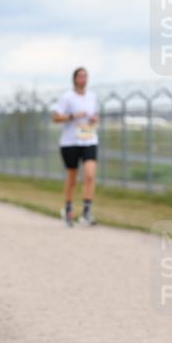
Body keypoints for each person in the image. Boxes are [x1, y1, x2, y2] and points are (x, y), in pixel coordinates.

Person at [52, 66, 99, 226]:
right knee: (72, 177)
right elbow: (56, 118)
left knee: (90, 175)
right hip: (70, 141)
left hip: (89, 139)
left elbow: (95, 115)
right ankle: (68, 208)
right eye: (80, 76)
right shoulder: (67, 97)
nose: (83, 79)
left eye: (85, 76)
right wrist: (73, 116)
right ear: (74, 79)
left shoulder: (92, 96)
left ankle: (86, 212)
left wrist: (94, 119)